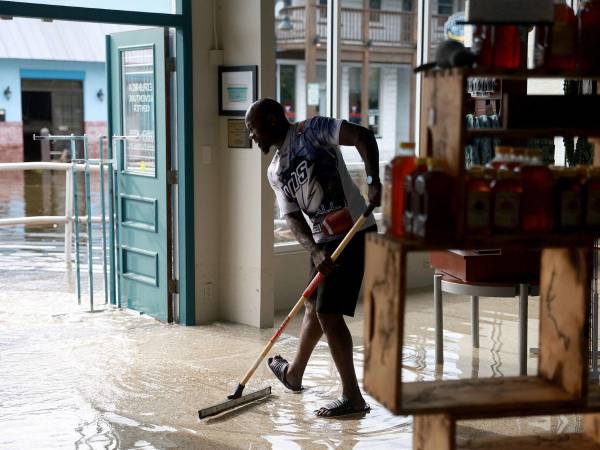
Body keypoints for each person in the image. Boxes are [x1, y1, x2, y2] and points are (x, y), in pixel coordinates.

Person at [245, 98, 381, 418]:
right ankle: (293, 374)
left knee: (329, 315)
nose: (252, 136)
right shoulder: (275, 170)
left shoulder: (315, 129)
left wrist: (374, 181)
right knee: (311, 304)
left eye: (253, 129)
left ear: (272, 121)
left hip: (352, 231)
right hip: (322, 243)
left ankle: (353, 398)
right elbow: (292, 217)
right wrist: (314, 248)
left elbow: (363, 136)